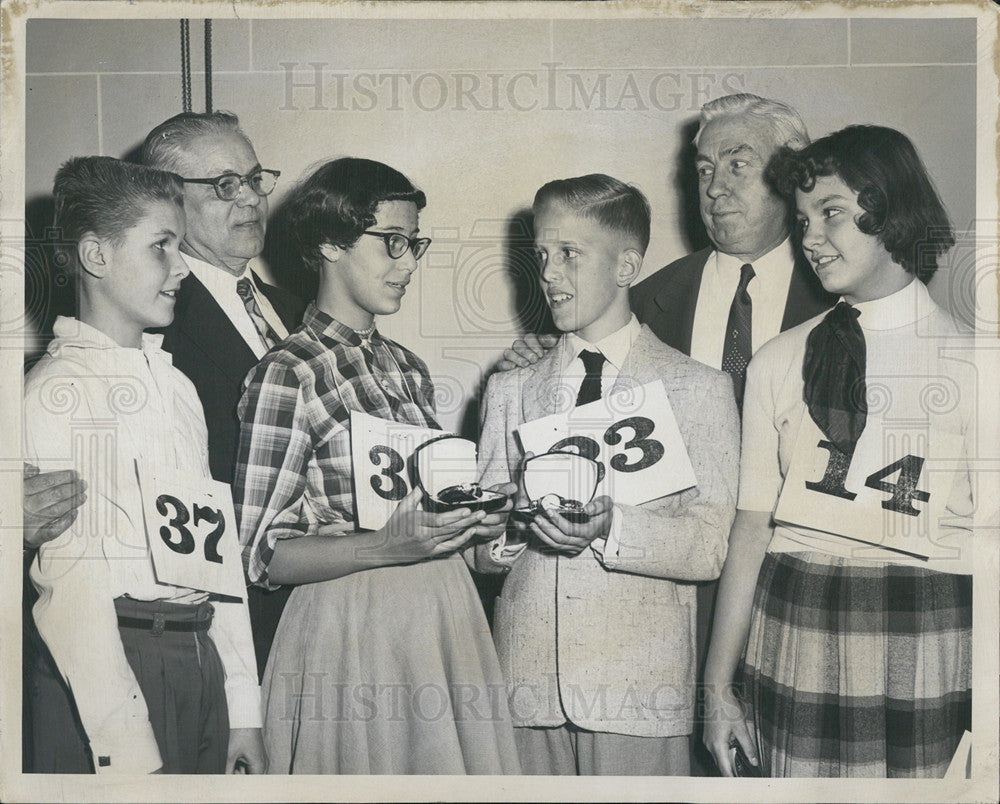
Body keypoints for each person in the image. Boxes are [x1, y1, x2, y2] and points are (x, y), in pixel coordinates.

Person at [496, 93, 837, 773]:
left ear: (791, 173)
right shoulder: (648, 294)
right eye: (703, 168)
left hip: (800, 607)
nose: (715, 187)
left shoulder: (841, 307)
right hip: (651, 628)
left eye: (738, 164)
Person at [234, 157, 521, 774]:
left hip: (444, 616)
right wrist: (386, 546)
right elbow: (260, 553)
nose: (409, 263)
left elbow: (430, 516)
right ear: (330, 242)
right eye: (392, 243)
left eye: (413, 243)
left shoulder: (407, 367)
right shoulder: (289, 372)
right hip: (352, 628)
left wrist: (483, 525)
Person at [703, 125, 973, 777]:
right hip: (793, 616)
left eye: (832, 213)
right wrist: (715, 689)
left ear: (892, 209)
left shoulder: (976, 362)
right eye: (802, 220)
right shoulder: (777, 360)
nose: (810, 238)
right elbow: (750, 528)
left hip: (926, 625)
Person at [475, 174, 739, 775]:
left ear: (627, 266)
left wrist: (609, 528)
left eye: (570, 254)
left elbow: (707, 547)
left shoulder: (698, 389)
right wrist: (511, 525)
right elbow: (479, 553)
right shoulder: (510, 389)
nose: (549, 274)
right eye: (542, 256)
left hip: (639, 693)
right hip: (526, 689)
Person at [24, 156, 265, 774]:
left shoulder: (177, 386)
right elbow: (72, 595)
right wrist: (128, 746)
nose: (182, 268)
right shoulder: (57, 391)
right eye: (162, 247)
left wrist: (242, 709)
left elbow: (216, 556)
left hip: (199, 653)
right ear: (96, 257)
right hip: (114, 672)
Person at [142, 111, 305, 677]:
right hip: (229, 626)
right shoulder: (152, 322)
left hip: (317, 606)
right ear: (169, 200)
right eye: (224, 186)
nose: (250, 200)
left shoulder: (296, 311)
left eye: (255, 179)